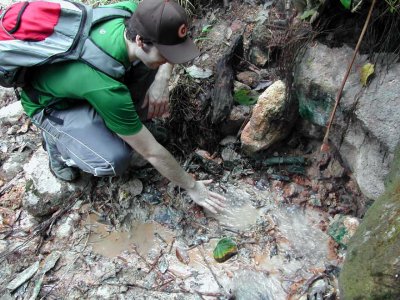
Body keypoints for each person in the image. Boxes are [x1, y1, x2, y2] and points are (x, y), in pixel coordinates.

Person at [20, 0, 226, 214]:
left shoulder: (134, 12)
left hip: (85, 82)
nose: (169, 59)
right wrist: (193, 187)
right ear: (140, 40)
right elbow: (152, 152)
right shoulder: (107, 89)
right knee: (115, 159)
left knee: (146, 65)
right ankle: (57, 147)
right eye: (165, 53)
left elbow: (163, 40)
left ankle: (128, 126)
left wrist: (162, 79)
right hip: (51, 105)